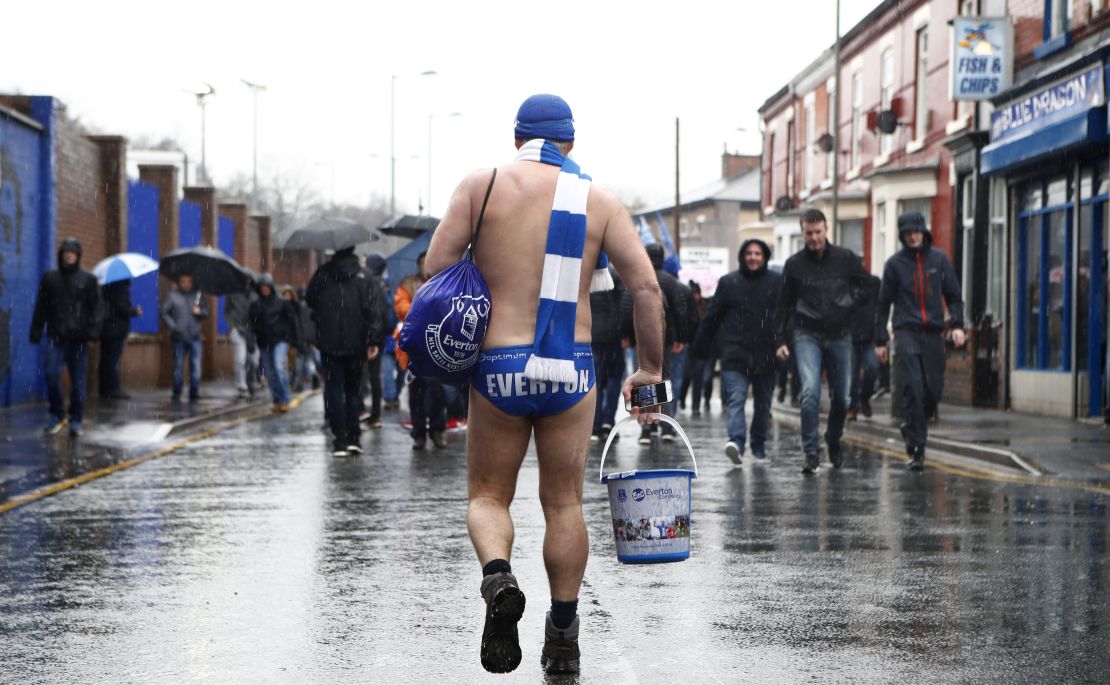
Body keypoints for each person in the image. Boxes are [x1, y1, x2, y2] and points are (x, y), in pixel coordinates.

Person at [425, 94, 664, 675]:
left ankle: (498, 577)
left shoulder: (480, 188)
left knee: (487, 497)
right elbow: (647, 289)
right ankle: (562, 632)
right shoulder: (599, 201)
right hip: (571, 366)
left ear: (517, 139)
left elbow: (434, 268)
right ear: (571, 143)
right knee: (563, 503)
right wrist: (650, 373)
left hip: (497, 364)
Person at [773, 208, 871, 474]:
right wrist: (780, 339)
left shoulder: (846, 259)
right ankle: (811, 452)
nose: (814, 238)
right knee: (809, 393)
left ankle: (833, 439)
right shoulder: (794, 265)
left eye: (818, 232)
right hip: (807, 334)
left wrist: (849, 304)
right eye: (809, 233)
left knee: (842, 397)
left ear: (826, 230)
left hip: (840, 333)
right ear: (802, 232)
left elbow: (869, 286)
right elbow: (783, 305)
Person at [874, 212, 966, 470]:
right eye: (908, 232)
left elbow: (954, 295)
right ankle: (917, 448)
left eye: (917, 231)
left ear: (924, 233)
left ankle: (910, 425)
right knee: (913, 386)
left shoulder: (939, 260)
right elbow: (882, 305)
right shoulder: (894, 265)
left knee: (932, 392)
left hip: (933, 333)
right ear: (902, 235)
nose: (913, 235)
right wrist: (881, 339)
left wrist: (958, 325)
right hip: (905, 331)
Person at [693, 239, 782, 465]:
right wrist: (700, 347)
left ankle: (759, 445)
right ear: (742, 256)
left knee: (763, 405)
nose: (753, 257)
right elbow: (712, 317)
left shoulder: (776, 282)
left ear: (764, 257)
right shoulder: (728, 282)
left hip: (767, 355)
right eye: (749, 253)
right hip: (735, 353)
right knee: (736, 399)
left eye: (758, 253)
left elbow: (786, 316)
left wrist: (785, 343)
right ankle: (737, 442)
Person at [306, 246, 385, 456]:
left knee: (333, 390)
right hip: (356, 342)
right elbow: (373, 310)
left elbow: (309, 300)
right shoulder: (364, 277)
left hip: (329, 341)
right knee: (353, 389)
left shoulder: (323, 274)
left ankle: (339, 439)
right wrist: (373, 339)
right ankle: (354, 437)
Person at [29, 237, 101, 435]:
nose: (69, 255)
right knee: (51, 374)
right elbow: (41, 306)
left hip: (79, 341)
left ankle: (76, 419)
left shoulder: (88, 280)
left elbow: (96, 308)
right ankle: (57, 414)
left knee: (78, 384)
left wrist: (93, 332)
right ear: (61, 254)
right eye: (66, 251)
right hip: (55, 337)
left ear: (78, 255)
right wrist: (36, 330)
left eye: (73, 252)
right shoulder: (50, 278)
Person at [622, 242, 689, 445]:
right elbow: (681, 311)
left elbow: (626, 308)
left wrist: (625, 334)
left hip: (639, 339)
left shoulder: (638, 280)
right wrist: (680, 337)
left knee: (645, 382)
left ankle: (646, 429)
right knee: (665, 380)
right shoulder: (671, 281)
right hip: (666, 340)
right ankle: (667, 426)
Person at [395, 252, 448, 450]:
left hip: (436, 347)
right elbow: (400, 306)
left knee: (436, 392)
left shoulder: (444, 283)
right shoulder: (408, 284)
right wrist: (422, 309)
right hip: (413, 348)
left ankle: (436, 429)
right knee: (415, 393)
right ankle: (419, 434)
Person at [249, 273, 299, 413]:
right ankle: (277, 399)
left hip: (280, 340)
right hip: (264, 341)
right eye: (262, 287)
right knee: (269, 373)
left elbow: (292, 322)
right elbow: (252, 324)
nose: (265, 289)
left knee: (278, 366)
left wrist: (294, 340)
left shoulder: (282, 303)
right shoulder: (256, 305)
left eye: (267, 287)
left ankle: (284, 398)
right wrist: (251, 340)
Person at [589, 265, 625, 442]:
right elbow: (624, 304)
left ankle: (594, 425)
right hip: (613, 336)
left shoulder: (586, 270)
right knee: (614, 378)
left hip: (591, 334)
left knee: (595, 379)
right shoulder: (615, 273)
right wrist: (624, 332)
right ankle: (608, 421)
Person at [161, 272, 208, 402]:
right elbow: (164, 313)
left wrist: (200, 312)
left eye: (188, 282)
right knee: (178, 366)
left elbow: (206, 312)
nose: (186, 284)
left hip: (195, 336)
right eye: (183, 281)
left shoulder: (197, 296)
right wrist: (173, 327)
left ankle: (194, 392)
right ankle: (177, 392)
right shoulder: (172, 296)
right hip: (179, 337)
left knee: (196, 367)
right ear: (179, 282)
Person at [362, 253, 392, 427]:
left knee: (367, 376)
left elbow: (375, 313)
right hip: (378, 336)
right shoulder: (381, 284)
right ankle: (375, 413)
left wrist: (371, 338)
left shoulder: (369, 283)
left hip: (369, 337)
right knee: (374, 376)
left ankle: (371, 413)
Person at [99, 278, 141, 400]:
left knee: (106, 360)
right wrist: (135, 311)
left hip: (106, 329)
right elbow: (122, 308)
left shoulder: (106, 287)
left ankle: (104, 388)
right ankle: (113, 388)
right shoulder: (120, 289)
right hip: (116, 330)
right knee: (113, 360)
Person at [848, 273, 882, 421]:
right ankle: (852, 408)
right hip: (849, 337)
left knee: (873, 367)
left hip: (869, 336)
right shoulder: (843, 285)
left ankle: (864, 397)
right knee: (852, 375)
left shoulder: (874, 283)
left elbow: (882, 306)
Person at [224, 275, 259, 399]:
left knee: (254, 360)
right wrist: (231, 325)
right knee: (240, 358)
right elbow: (227, 311)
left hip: (252, 332)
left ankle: (251, 381)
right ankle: (241, 385)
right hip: (237, 330)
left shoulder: (255, 295)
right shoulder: (232, 294)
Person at [679, 281, 707, 416]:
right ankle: (682, 399)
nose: (696, 297)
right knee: (686, 376)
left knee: (698, 378)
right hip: (689, 347)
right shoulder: (686, 308)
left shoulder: (704, 308)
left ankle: (696, 406)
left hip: (700, 349)